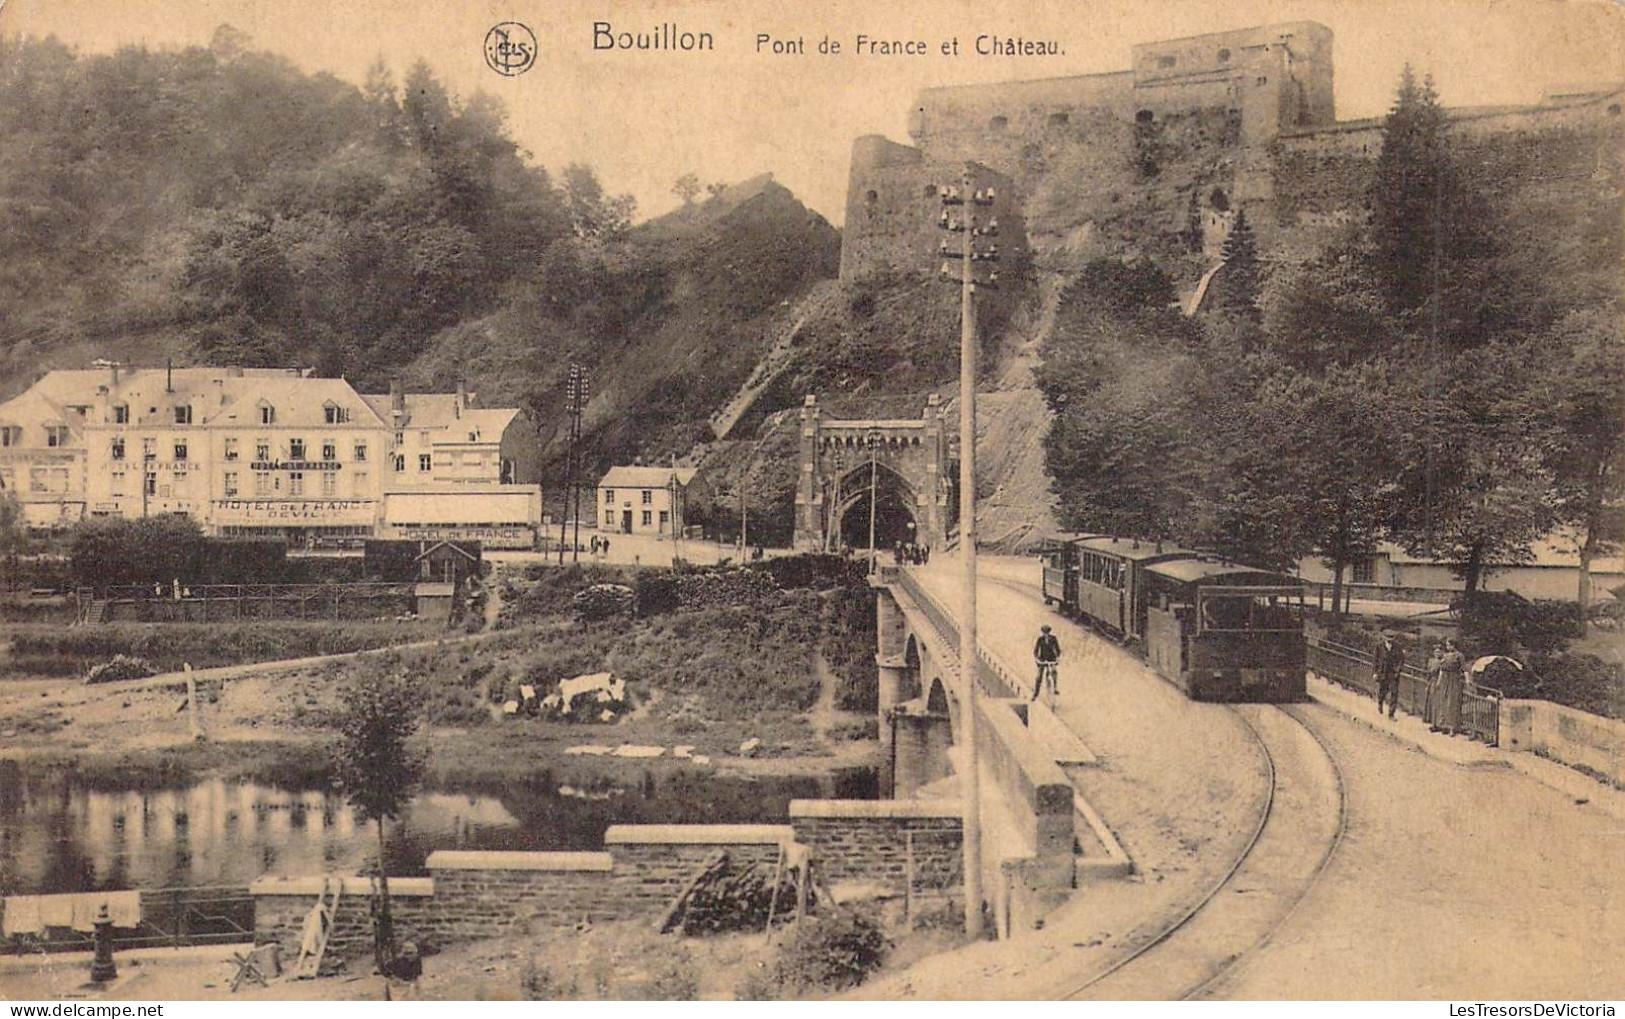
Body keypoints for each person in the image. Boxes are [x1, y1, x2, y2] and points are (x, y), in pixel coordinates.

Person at [1434, 639, 1465, 736]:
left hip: (1454, 680)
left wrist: (1467, 680)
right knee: (1444, 702)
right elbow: (1441, 670)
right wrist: (1439, 681)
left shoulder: (1459, 656)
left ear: (1453, 645)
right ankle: (1444, 725)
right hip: (1445, 680)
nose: (1448, 647)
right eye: (1447, 645)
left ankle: (1453, 727)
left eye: (1449, 645)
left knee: (1452, 703)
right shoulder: (1445, 656)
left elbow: (1463, 669)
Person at [1373, 631, 1404, 719]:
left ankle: (1391, 714)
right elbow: (1375, 660)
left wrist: (1398, 670)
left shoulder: (1397, 647)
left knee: (1394, 693)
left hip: (1393, 674)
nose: (1390, 639)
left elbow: (1401, 659)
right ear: (1384, 637)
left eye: (1392, 637)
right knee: (1382, 691)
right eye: (1388, 637)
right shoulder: (1379, 646)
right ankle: (1380, 703)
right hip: (1382, 672)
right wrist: (1375, 672)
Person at [1033, 624, 1061, 701]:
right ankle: (1036, 693)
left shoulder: (1053, 639)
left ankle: (1055, 688)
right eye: (1044, 632)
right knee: (1039, 676)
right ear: (1042, 633)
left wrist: (1058, 658)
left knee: (1054, 671)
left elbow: (1058, 649)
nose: (1046, 634)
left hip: (1051, 659)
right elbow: (1036, 650)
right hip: (1042, 659)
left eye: (1047, 632)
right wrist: (1036, 659)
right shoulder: (1040, 639)